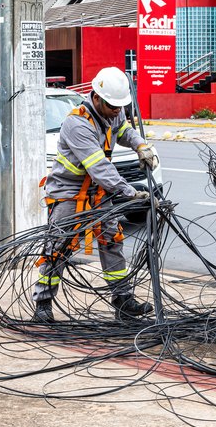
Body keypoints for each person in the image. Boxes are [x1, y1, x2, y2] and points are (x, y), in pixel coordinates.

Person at [32, 67, 160, 322]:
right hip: (69, 192)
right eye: (112, 105)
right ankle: (43, 304)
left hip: (99, 193)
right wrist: (129, 191)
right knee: (59, 247)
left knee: (112, 241)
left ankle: (123, 302)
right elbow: (99, 167)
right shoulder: (76, 124)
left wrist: (141, 146)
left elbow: (124, 131)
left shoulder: (114, 111)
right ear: (97, 98)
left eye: (120, 106)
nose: (117, 110)